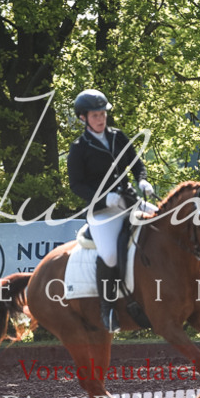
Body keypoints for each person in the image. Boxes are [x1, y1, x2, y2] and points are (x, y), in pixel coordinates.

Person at [68, 89, 157, 332]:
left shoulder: (118, 136)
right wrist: (104, 199)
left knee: (163, 224)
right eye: (95, 115)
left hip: (129, 201)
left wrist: (142, 180)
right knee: (109, 255)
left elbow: (136, 163)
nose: (101, 119)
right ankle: (107, 310)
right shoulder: (78, 148)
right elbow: (76, 184)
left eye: (103, 114)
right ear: (83, 118)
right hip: (102, 212)